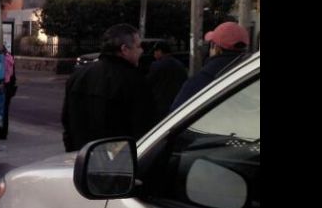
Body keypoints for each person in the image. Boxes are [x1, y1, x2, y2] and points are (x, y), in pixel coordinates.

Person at [61, 23, 155, 152]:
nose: (142, 51)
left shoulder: (78, 75)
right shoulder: (134, 80)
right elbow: (143, 127)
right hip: (118, 162)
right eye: (138, 46)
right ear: (124, 49)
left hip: (82, 157)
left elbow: (67, 122)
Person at [170, 21, 249, 111]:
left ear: (217, 49)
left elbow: (176, 114)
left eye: (211, 44)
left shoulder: (199, 81)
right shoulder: (251, 73)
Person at [146, 40, 188, 119]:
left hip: (160, 105)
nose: (154, 54)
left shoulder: (156, 65)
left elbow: (148, 83)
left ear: (159, 51)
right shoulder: (180, 65)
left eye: (155, 52)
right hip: (177, 103)